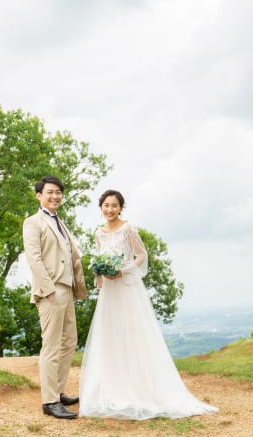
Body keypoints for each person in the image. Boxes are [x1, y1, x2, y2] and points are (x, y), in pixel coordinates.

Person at [78, 189, 218, 420]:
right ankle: (112, 386)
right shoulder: (99, 233)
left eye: (114, 205)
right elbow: (100, 257)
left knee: (131, 334)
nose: (110, 209)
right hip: (109, 292)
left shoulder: (128, 229)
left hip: (126, 288)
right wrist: (101, 272)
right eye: (106, 205)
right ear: (100, 207)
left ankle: (140, 388)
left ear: (121, 208)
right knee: (110, 335)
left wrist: (123, 270)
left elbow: (141, 255)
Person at [22, 175, 87, 419]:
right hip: (50, 291)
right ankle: (49, 402)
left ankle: (58, 392)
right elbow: (34, 258)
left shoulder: (60, 222)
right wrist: (48, 289)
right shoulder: (32, 222)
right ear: (39, 195)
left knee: (69, 340)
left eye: (58, 192)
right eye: (50, 192)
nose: (55, 195)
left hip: (67, 289)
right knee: (51, 346)